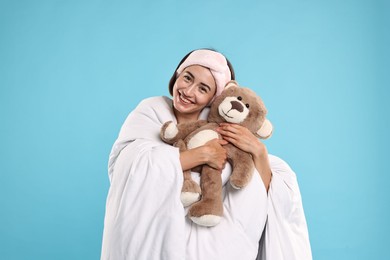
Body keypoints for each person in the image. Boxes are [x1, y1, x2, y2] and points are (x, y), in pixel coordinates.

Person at [101, 49, 312, 260]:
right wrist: (203, 155)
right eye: (187, 78)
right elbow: (129, 167)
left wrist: (259, 151)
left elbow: (265, 195)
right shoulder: (151, 110)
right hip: (156, 237)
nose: (188, 91)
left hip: (215, 245)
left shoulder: (223, 127)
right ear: (177, 74)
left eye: (203, 88)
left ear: (215, 98)